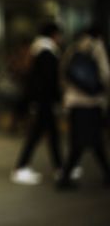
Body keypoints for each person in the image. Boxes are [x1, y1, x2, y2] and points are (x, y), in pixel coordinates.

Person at [57, 27, 110, 189]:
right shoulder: (97, 47)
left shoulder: (72, 47)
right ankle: (65, 177)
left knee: (80, 141)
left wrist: (69, 93)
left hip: (74, 102)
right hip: (92, 102)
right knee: (93, 141)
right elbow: (105, 74)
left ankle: (66, 176)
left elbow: (62, 74)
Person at [10, 22, 63, 185]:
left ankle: (60, 168)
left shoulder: (37, 50)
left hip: (39, 100)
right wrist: (58, 98)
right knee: (39, 134)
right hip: (44, 101)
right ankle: (22, 167)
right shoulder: (47, 53)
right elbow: (49, 81)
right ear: (54, 35)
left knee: (46, 134)